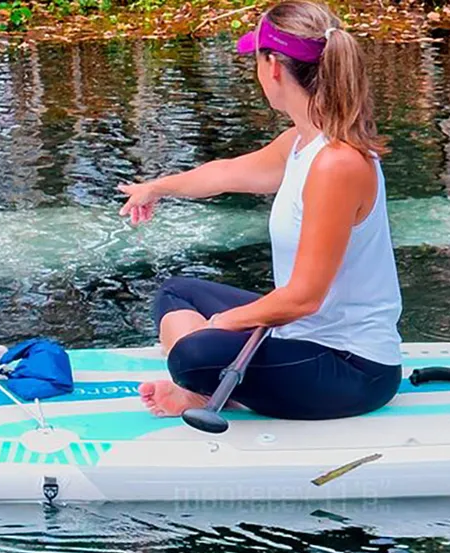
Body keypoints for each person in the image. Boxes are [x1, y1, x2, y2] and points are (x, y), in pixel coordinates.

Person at [118, 0, 403, 420]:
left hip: (352, 368)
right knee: (176, 292)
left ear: (272, 67)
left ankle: (202, 385)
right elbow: (227, 173)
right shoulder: (303, 142)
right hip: (303, 334)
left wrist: (222, 324)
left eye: (256, 60)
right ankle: (209, 386)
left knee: (192, 354)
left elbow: (304, 298)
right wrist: (156, 188)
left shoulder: (337, 163)